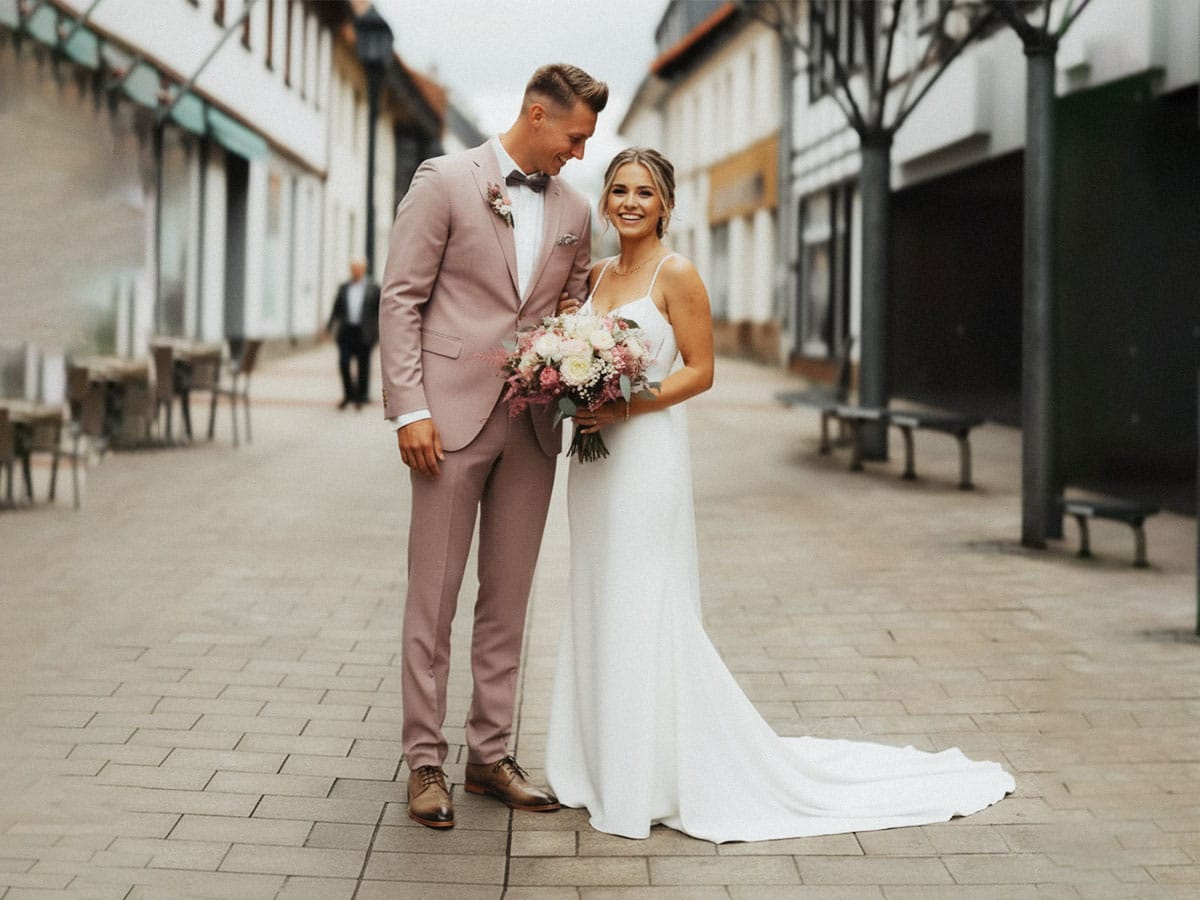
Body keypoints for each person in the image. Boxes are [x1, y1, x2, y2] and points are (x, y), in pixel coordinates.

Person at [544, 147, 1015, 843]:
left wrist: (627, 404)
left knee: (645, 600)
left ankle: (649, 774)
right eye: (619, 190)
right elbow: (571, 349)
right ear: (607, 201)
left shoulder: (679, 277)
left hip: (643, 456)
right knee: (597, 593)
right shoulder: (597, 275)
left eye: (645, 191)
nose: (631, 202)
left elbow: (701, 373)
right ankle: (598, 760)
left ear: (667, 203)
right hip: (593, 462)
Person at [378, 64, 608, 830]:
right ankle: (423, 762)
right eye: (575, 136)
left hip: (534, 426)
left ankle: (488, 754)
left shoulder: (575, 207)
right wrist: (409, 407)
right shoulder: (445, 180)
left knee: (508, 600)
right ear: (537, 115)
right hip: (445, 421)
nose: (580, 153)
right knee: (432, 598)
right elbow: (402, 298)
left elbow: (572, 309)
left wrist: (591, 378)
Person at [326, 258, 380, 410]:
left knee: (363, 365)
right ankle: (348, 394)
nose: (355, 271)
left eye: (358, 268)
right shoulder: (344, 287)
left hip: (365, 332)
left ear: (364, 269)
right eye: (353, 268)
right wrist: (328, 328)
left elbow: (380, 311)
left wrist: (378, 332)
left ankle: (362, 396)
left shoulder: (373, 288)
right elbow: (336, 309)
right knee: (344, 363)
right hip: (346, 331)